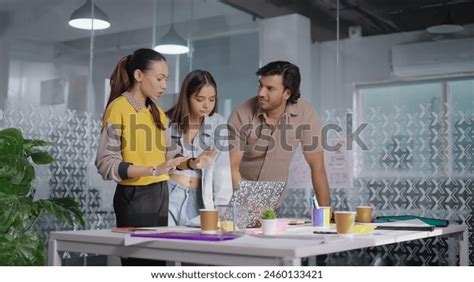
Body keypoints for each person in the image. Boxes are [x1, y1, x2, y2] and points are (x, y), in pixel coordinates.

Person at [95, 48, 184, 266]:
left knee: (157, 266)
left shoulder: (157, 112)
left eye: (166, 79)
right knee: (139, 266)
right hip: (134, 196)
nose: (164, 85)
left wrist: (194, 161)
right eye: (159, 78)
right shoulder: (118, 109)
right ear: (138, 75)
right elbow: (106, 162)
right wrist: (151, 170)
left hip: (160, 194)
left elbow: (171, 154)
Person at [228, 61, 330, 206]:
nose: (261, 93)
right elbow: (232, 167)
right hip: (237, 202)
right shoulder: (241, 114)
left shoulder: (305, 114)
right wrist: (248, 209)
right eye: (260, 85)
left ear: (287, 93)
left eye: (270, 88)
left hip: (273, 205)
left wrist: (325, 215)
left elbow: (317, 167)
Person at [166, 70, 232, 226]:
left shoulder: (218, 123)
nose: (207, 105)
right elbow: (160, 163)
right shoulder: (167, 122)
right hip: (169, 195)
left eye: (212, 99)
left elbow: (222, 173)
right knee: (165, 245)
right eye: (200, 99)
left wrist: (222, 212)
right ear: (187, 97)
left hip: (200, 201)